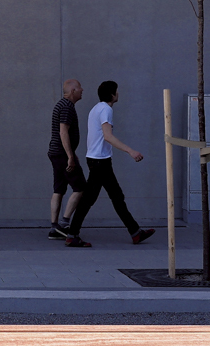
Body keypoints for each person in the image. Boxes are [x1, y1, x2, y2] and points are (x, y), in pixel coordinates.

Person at [65, 80, 155, 248]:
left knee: (114, 197)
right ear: (112, 94)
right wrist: (130, 151)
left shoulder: (96, 108)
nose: (118, 93)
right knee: (93, 199)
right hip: (100, 161)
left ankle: (135, 232)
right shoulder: (106, 109)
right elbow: (108, 136)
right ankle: (72, 235)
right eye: (116, 91)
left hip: (97, 160)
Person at [47, 79, 86, 239]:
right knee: (80, 187)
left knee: (59, 189)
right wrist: (70, 156)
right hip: (62, 154)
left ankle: (54, 228)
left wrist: (71, 154)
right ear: (73, 91)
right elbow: (63, 132)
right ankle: (64, 224)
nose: (82, 90)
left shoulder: (62, 105)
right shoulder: (67, 107)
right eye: (80, 88)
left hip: (56, 153)